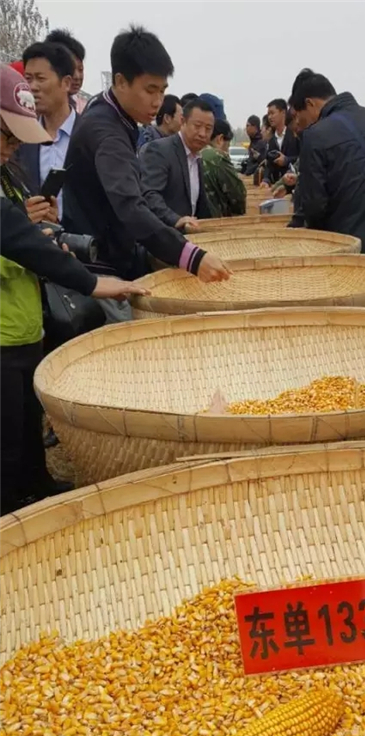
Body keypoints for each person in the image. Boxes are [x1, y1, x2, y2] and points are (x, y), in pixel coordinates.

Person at [0, 64, 147, 515]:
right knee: (4, 440)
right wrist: (93, 282)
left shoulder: (9, 176)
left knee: (27, 421)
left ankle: (36, 483)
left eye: (16, 141)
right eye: (6, 138)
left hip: (24, 323)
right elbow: (17, 240)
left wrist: (43, 235)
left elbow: (23, 236)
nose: (11, 149)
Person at [62, 27, 228, 282]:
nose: (158, 101)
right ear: (120, 81)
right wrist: (191, 256)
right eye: (150, 90)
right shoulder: (108, 133)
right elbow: (131, 207)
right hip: (99, 266)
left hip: (111, 251)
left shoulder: (110, 113)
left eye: (162, 91)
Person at [289, 69, 365, 254]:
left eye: (299, 115)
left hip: (346, 248)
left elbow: (314, 207)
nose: (299, 123)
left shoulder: (316, 136)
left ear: (310, 103)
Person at [18, 41, 76, 218]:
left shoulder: (90, 135)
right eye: (28, 79)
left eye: (41, 79)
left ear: (66, 83)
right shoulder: (21, 138)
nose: (33, 87)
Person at [140, 97, 213, 229]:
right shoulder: (159, 150)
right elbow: (149, 194)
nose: (203, 134)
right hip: (163, 235)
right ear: (183, 122)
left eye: (208, 129)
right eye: (197, 126)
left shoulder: (197, 157)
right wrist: (176, 220)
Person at [202, 119, 246, 218]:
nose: (227, 150)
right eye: (228, 145)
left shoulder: (194, 152)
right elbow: (238, 195)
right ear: (220, 139)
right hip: (214, 220)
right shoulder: (217, 158)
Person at [46, 28, 87, 112]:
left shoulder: (83, 110)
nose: (77, 76)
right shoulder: (33, 107)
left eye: (80, 69)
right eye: (71, 68)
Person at [262, 98, 300, 185]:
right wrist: (266, 180)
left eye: (272, 113)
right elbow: (269, 164)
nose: (270, 117)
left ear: (283, 113)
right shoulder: (271, 140)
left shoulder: (295, 136)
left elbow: (302, 158)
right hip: (276, 185)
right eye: (268, 114)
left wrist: (286, 160)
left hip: (292, 183)